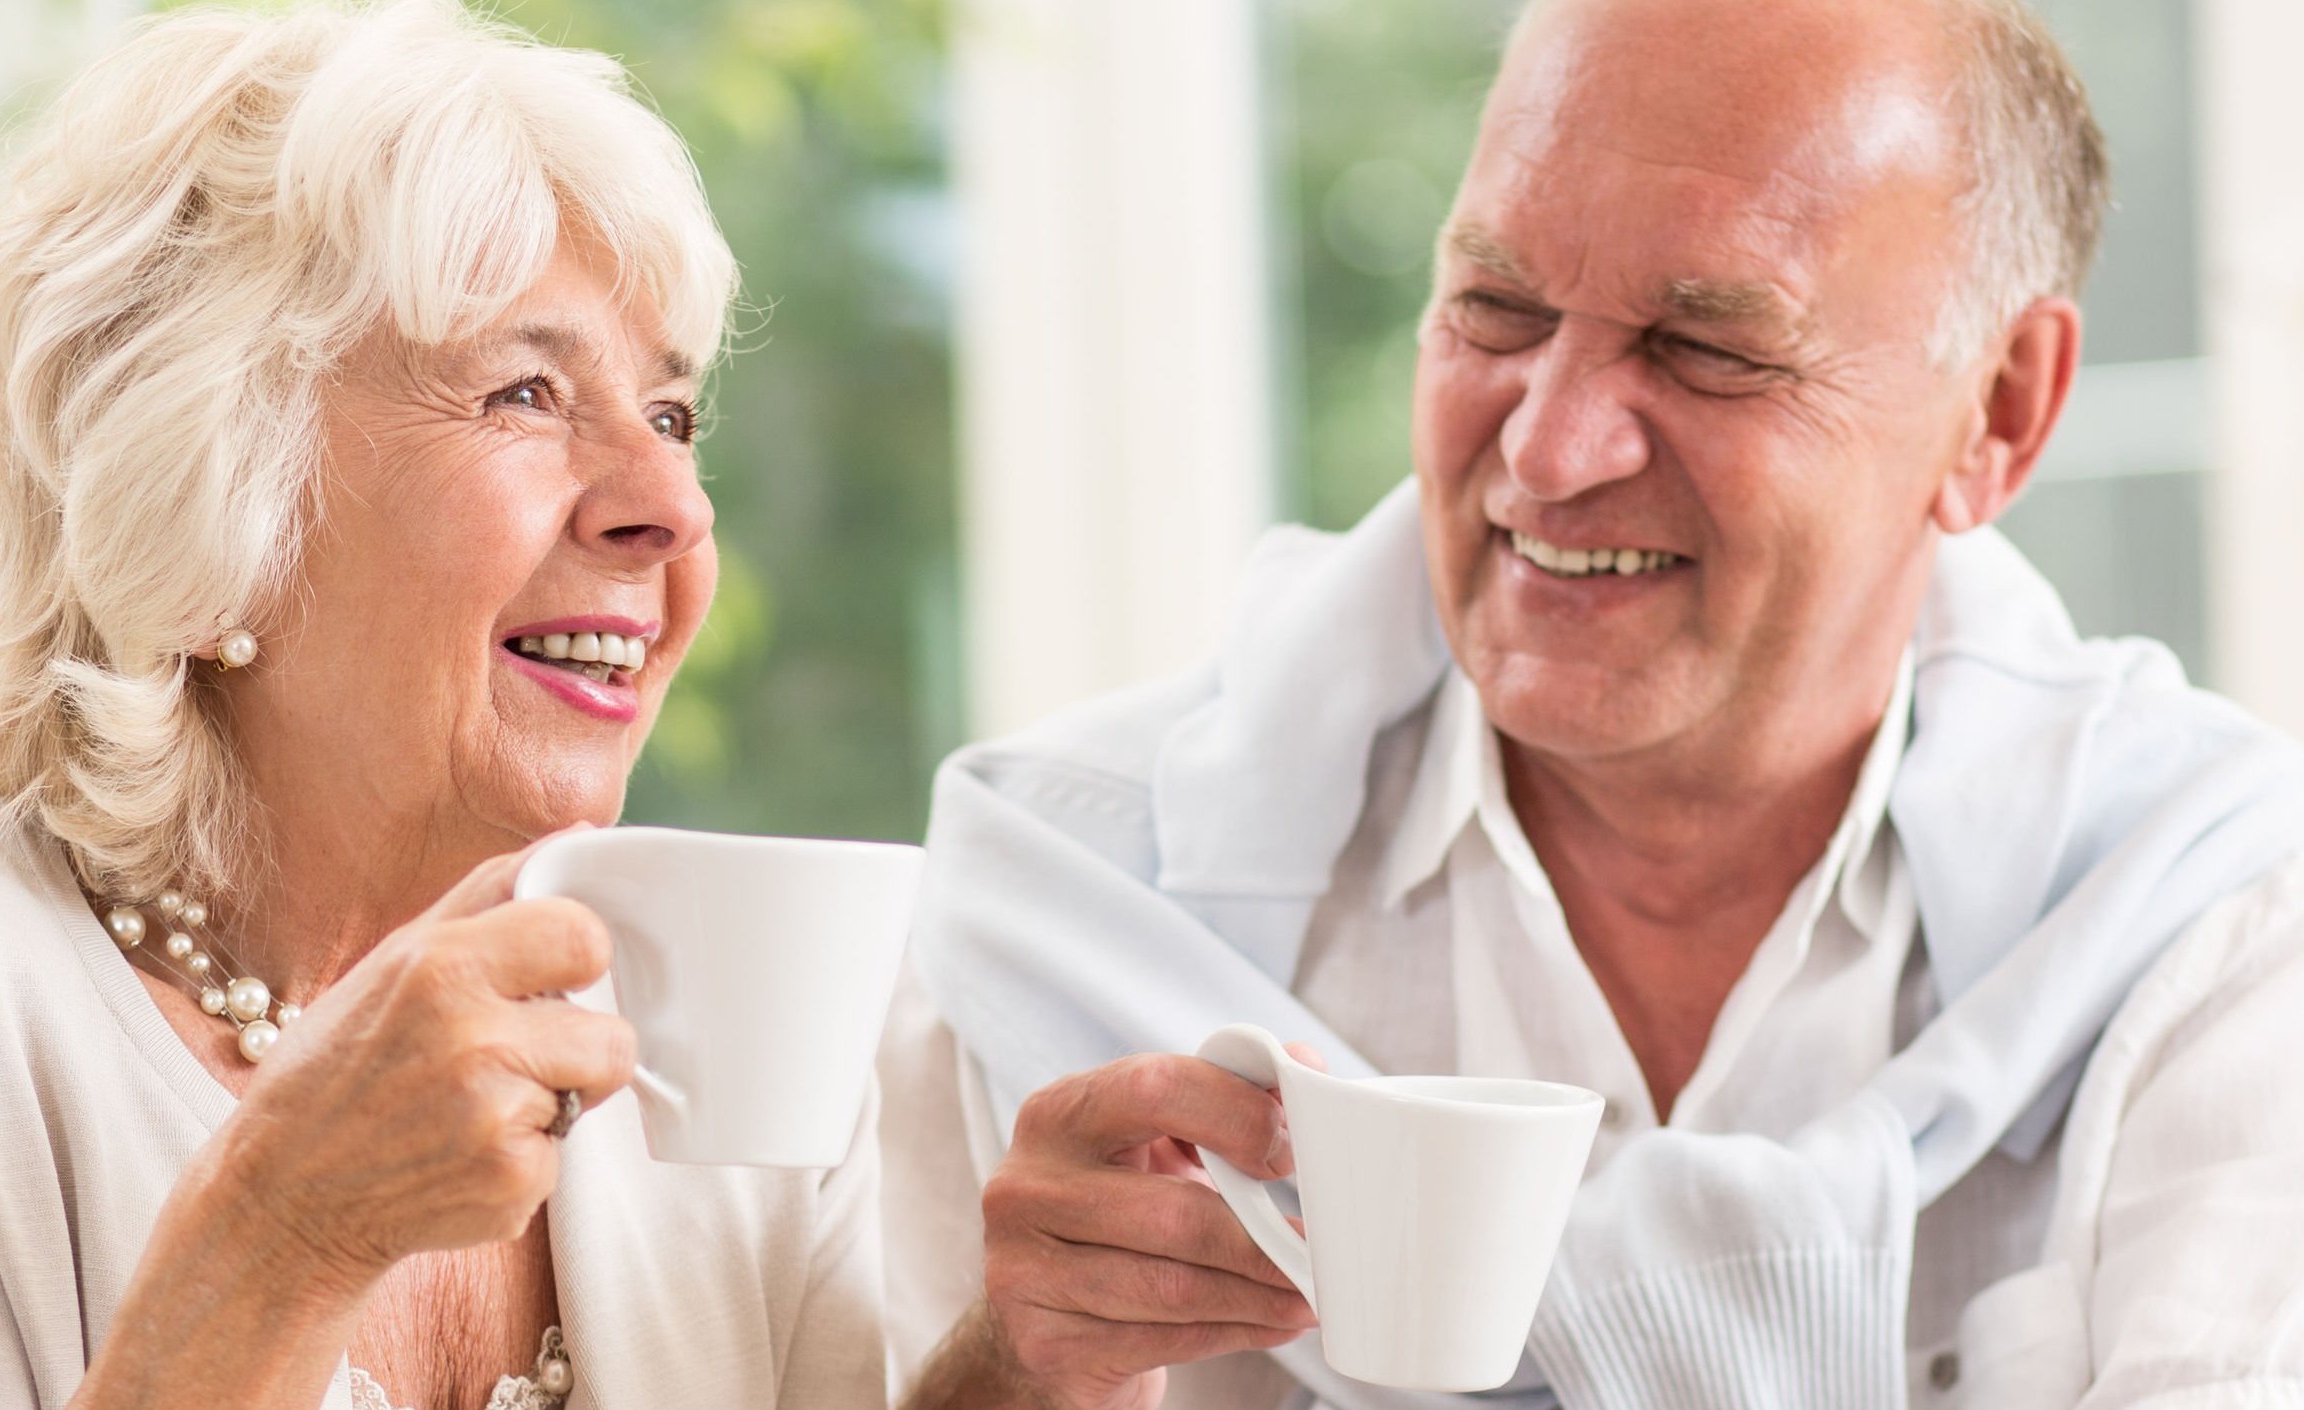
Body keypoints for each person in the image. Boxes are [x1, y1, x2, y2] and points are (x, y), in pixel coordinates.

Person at [887, 0, 2304, 1407]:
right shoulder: (1063, 900)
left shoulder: (2205, 908)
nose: (1551, 452)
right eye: (1495, 310)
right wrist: (1010, 1377)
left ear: (1998, 409)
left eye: (1709, 348)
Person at [0, 4, 883, 1407]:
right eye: (525, 391)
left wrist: (1038, 1371)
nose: (670, 508)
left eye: (673, 417)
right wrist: (287, 1238)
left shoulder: (724, 1016)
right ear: (198, 505)